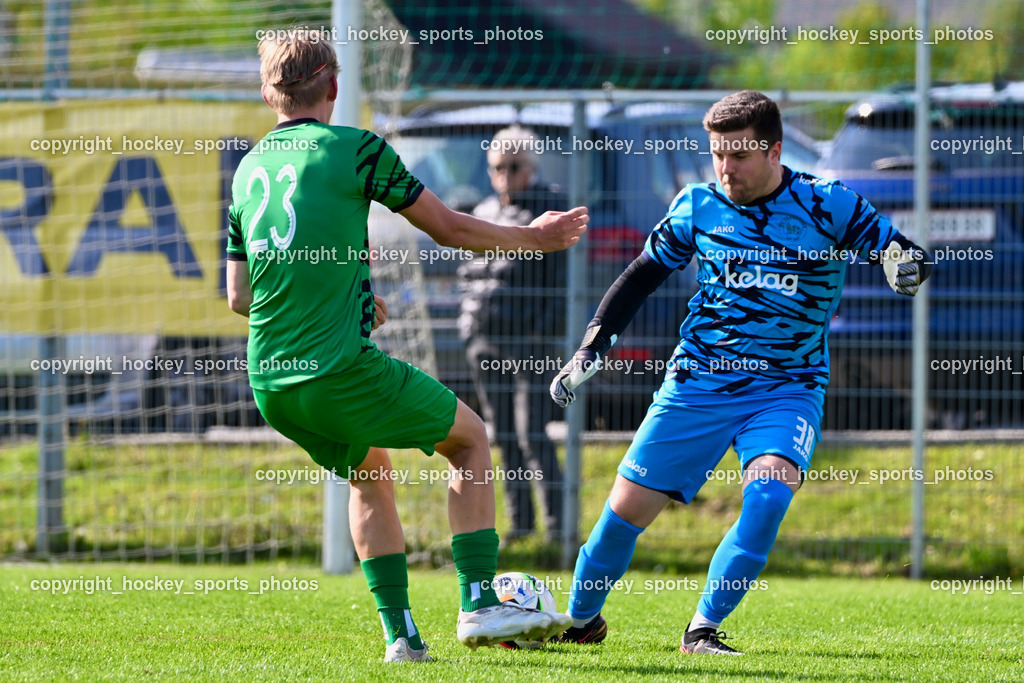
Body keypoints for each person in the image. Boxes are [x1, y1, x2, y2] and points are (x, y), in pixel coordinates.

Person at [225, 30, 587, 663]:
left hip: (272, 383)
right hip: (338, 370)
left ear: (267, 94)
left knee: (369, 475)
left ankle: (402, 638)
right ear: (335, 87)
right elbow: (448, 228)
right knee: (471, 440)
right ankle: (480, 603)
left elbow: (240, 296)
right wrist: (533, 238)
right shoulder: (358, 149)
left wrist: (352, 298)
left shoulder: (248, 170)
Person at [549, 90, 931, 654]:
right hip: (698, 382)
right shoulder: (697, 205)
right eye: (717, 154)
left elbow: (903, 253)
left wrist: (908, 268)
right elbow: (640, 276)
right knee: (623, 514)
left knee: (769, 494)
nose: (725, 168)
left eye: (739, 155)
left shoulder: (829, 205)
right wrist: (590, 348)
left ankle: (702, 629)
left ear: (775, 150)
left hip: (787, 387)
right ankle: (580, 621)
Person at [458, 125, 567, 545]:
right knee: (500, 435)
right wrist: (469, 330)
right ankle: (521, 525)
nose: (504, 175)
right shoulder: (484, 211)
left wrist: (541, 336)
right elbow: (468, 274)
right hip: (485, 339)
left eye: (513, 166)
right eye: (497, 167)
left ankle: (558, 527)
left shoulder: (547, 212)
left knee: (531, 432)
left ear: (531, 168)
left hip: (529, 343)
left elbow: (560, 286)